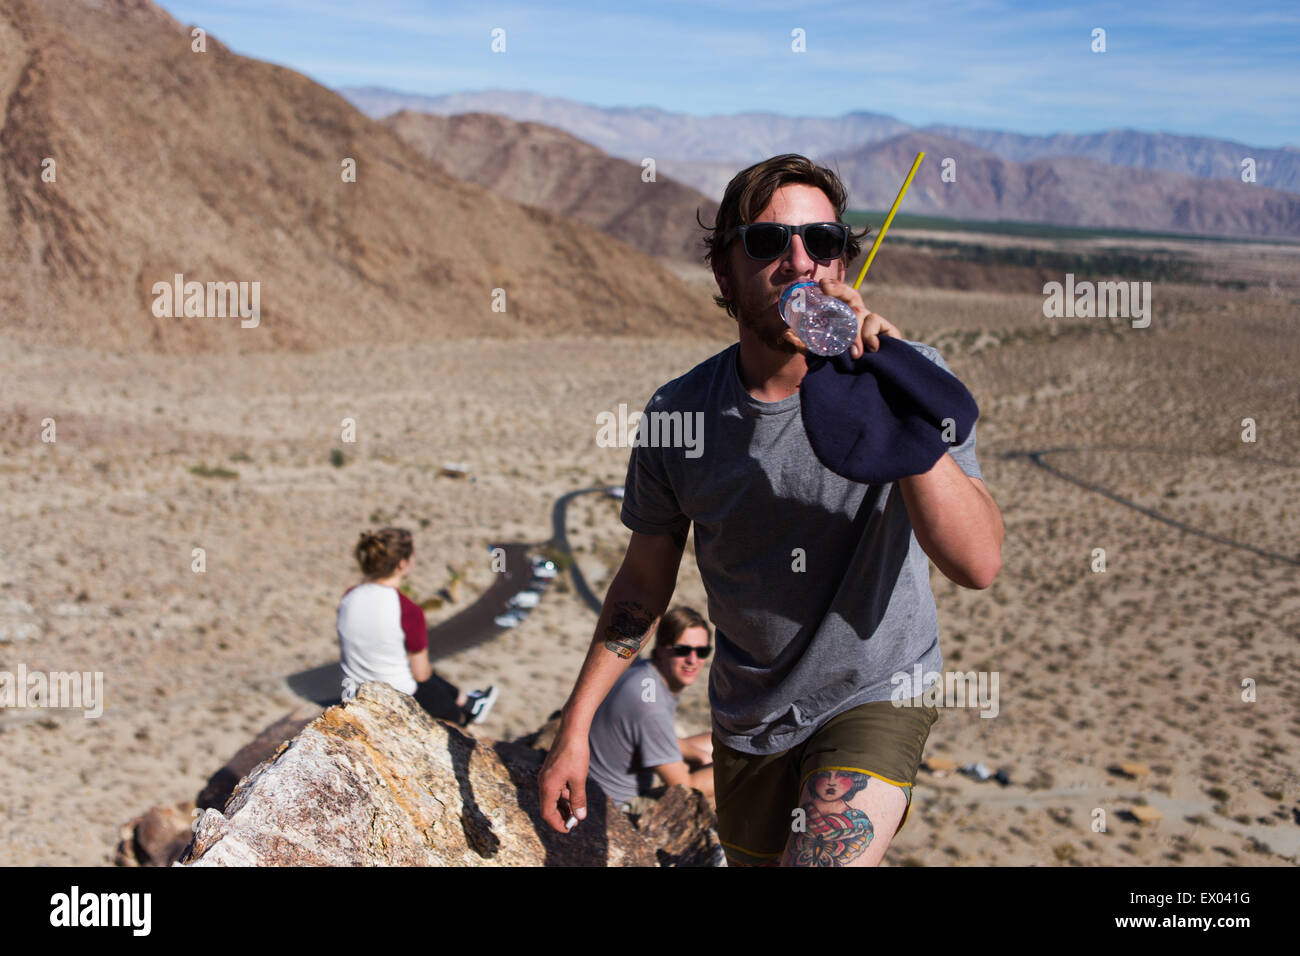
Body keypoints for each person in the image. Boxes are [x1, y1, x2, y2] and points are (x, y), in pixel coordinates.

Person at [538, 154, 1003, 866]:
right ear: (725, 273)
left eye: (823, 243)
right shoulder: (679, 413)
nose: (800, 262)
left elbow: (977, 562)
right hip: (748, 720)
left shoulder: (911, 379)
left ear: (842, 265)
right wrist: (576, 728)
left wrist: (898, 410)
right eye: (767, 243)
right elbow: (641, 585)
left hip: (874, 692)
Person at [337, 527, 498, 726]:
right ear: (402, 564)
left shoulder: (349, 596)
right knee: (448, 708)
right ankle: (467, 708)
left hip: (353, 691)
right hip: (396, 695)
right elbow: (421, 674)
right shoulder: (407, 611)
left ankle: (469, 701)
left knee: (421, 674)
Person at [586, 606, 715, 813]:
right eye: (682, 650)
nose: (693, 660)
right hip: (616, 805)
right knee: (734, 777)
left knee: (722, 742)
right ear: (663, 648)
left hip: (608, 778)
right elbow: (684, 789)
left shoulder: (645, 674)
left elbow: (656, 735)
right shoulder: (650, 706)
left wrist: (700, 756)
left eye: (702, 652)